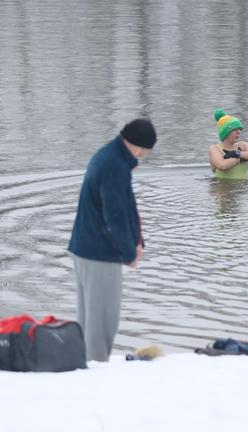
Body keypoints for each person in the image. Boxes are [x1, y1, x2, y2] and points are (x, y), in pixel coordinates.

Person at [68, 118, 156, 362]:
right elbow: (115, 216)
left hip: (84, 248)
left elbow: (127, 205)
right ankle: (96, 373)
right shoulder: (115, 166)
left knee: (88, 320)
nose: (143, 155)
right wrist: (128, 254)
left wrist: (138, 241)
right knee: (103, 321)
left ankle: (83, 365)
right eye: (144, 150)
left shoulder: (108, 155)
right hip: (99, 253)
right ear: (137, 144)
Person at [208, 108, 248, 179]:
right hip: (222, 186)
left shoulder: (242, 145)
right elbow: (222, 166)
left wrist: (238, 154)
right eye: (234, 130)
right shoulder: (214, 149)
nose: (238, 132)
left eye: (239, 129)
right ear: (225, 133)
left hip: (242, 187)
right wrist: (240, 159)